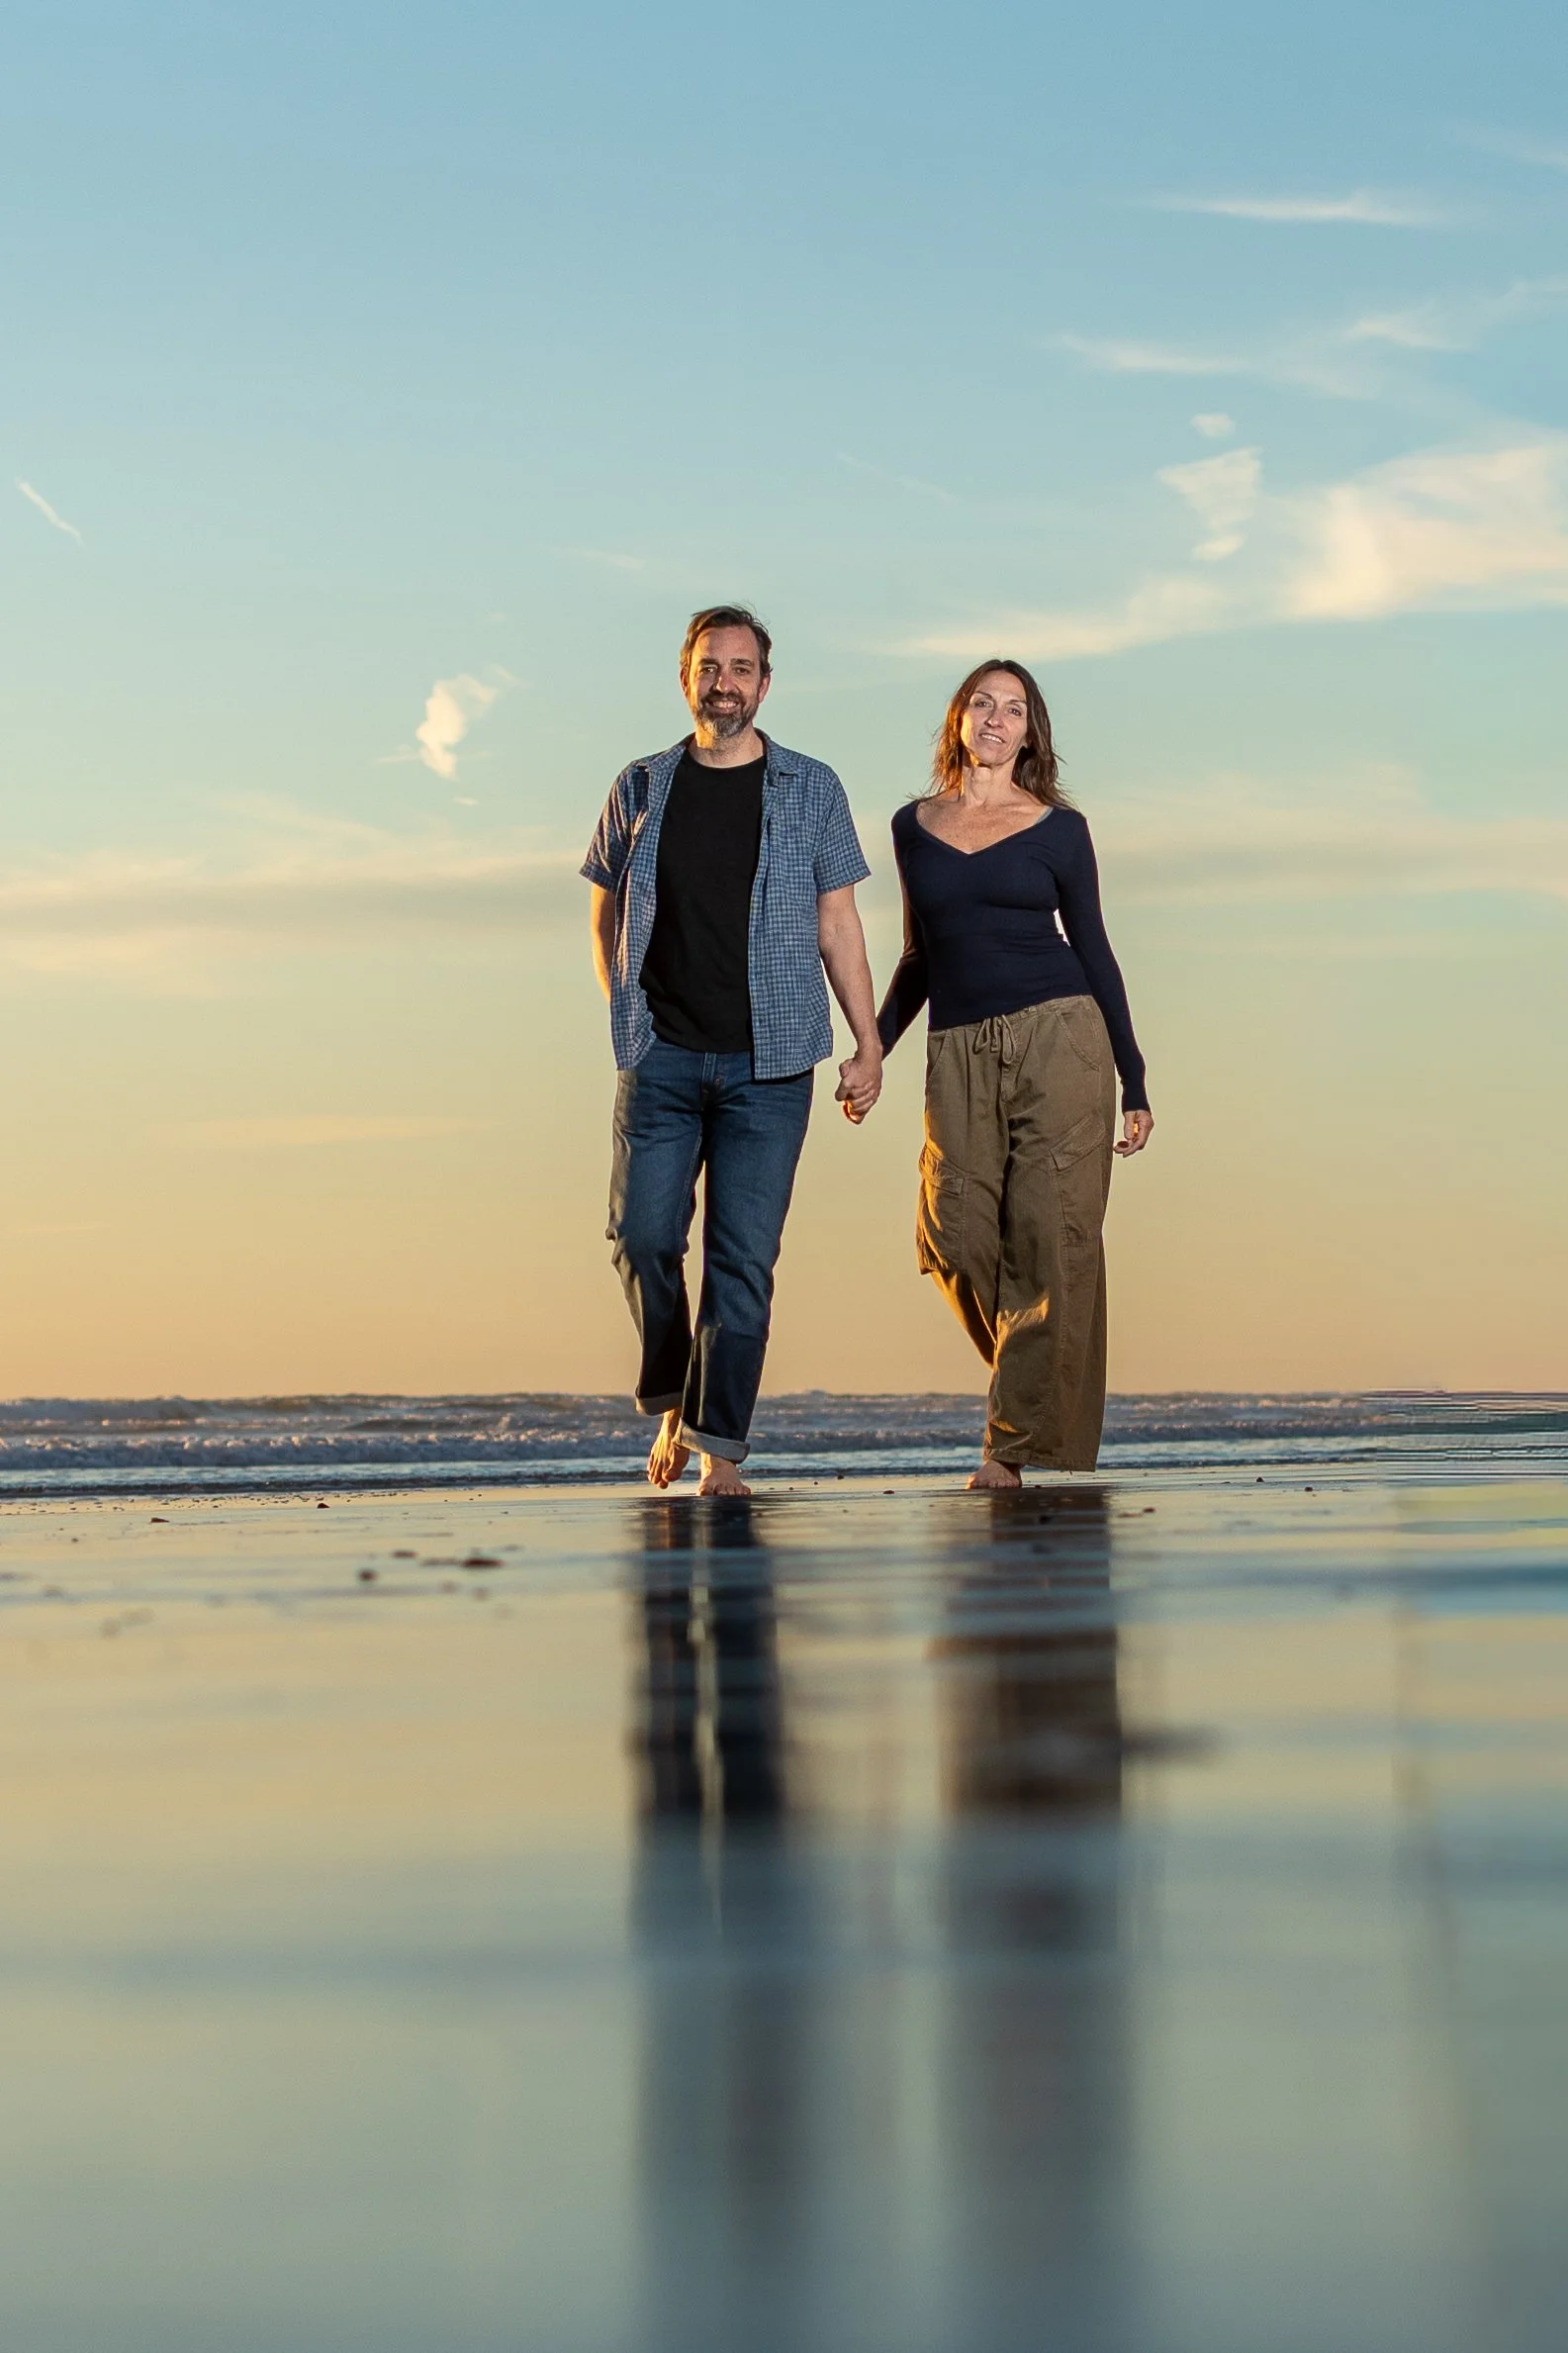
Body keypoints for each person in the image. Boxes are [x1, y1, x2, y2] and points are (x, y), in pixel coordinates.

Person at [583, 606, 882, 1496]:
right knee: (639, 1238)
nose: (726, 681)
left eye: (742, 667)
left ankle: (720, 1454)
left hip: (772, 1062)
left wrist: (867, 1044)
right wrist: (625, 1015)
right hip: (662, 1057)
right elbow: (603, 911)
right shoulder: (638, 785)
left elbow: (838, 921)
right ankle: (675, 1389)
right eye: (710, 665)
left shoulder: (811, 787)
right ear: (687, 676)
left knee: (742, 1260)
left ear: (764, 683)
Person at [876, 660, 1152, 1488]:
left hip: (1061, 1036)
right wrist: (871, 1047)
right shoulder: (910, 824)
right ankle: (1040, 1380)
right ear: (958, 720)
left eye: (1014, 710)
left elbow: (1095, 949)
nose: (996, 719)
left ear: (1030, 734)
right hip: (955, 1048)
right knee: (949, 1231)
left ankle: (1008, 1446)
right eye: (982, 704)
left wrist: (1133, 1079)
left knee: (1048, 1239)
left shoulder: (1059, 830)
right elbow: (917, 955)